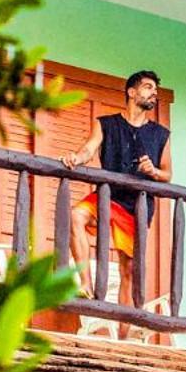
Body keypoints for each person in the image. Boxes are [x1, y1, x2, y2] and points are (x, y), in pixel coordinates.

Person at [63, 69, 171, 302]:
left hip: (137, 207)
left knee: (128, 271)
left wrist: (153, 171)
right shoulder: (106, 124)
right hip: (108, 197)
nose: (154, 94)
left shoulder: (161, 134)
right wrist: (76, 158)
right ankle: (85, 284)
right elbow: (89, 149)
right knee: (75, 216)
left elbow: (167, 174)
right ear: (132, 92)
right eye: (148, 87)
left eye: (156, 90)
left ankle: (123, 333)